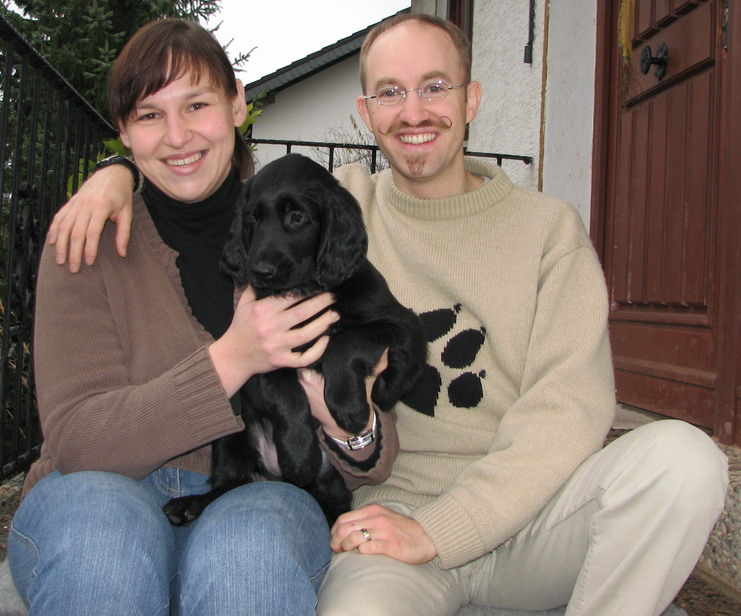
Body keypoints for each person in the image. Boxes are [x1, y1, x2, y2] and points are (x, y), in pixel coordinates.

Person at [45, 13, 729, 616]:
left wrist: (449, 527)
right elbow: (211, 182)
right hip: (385, 519)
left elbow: (571, 413)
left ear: (472, 100)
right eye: (390, 94)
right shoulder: (334, 204)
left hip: (530, 518)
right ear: (364, 116)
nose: (413, 112)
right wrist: (118, 171)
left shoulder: (549, 231)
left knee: (683, 462)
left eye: (435, 87)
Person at [8, 19, 397, 616]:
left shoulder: (301, 228)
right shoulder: (83, 241)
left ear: (238, 103)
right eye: (148, 115)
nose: (177, 135)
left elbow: (372, 434)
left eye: (197, 104)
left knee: (252, 560)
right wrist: (233, 359)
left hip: (260, 492)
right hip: (97, 492)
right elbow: (79, 442)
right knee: (102, 549)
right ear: (124, 133)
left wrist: (355, 431)